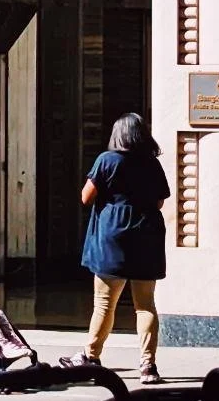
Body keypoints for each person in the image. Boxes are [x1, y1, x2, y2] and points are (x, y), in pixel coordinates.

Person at [62, 111, 169, 385]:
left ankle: (91, 356)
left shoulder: (107, 160)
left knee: (104, 303)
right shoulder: (152, 164)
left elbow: (86, 197)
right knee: (145, 305)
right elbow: (159, 202)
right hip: (147, 235)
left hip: (113, 236)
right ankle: (148, 365)